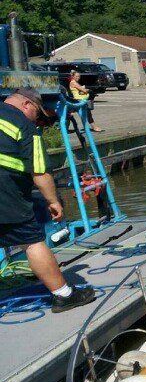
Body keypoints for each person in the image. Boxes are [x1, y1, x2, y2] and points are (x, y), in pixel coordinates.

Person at [0, 88, 96, 312]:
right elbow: (40, 172)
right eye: (37, 113)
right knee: (31, 241)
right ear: (27, 105)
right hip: (5, 194)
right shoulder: (23, 125)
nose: (38, 119)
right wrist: (53, 201)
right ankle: (64, 295)